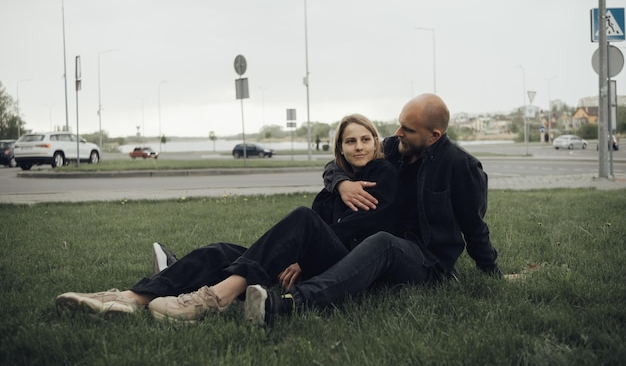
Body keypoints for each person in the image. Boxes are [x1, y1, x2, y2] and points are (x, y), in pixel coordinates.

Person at [55, 114, 398, 320]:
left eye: (366, 139)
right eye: (350, 141)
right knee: (221, 251)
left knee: (301, 220)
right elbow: (323, 210)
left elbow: (364, 228)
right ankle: (132, 298)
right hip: (307, 260)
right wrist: (338, 185)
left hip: (345, 265)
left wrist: (303, 263)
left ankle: (214, 298)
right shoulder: (333, 187)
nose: (359, 146)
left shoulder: (383, 174)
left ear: (375, 143)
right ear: (340, 148)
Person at [244, 93, 502, 326]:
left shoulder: (461, 166)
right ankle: (225, 279)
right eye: (399, 123)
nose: (398, 132)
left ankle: (286, 303)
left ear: (433, 136)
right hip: (368, 245)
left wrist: (491, 272)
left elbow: (475, 227)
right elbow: (335, 163)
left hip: (425, 261)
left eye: (408, 129)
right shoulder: (393, 148)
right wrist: (341, 184)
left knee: (383, 243)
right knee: (305, 227)